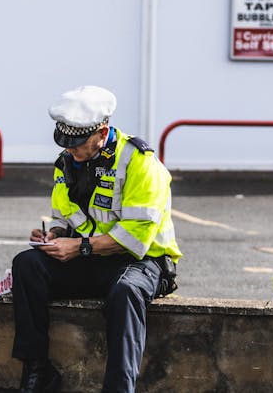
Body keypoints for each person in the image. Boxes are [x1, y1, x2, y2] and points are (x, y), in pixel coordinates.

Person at [11, 85, 182, 393]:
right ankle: (37, 371)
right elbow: (65, 215)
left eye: (78, 143)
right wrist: (54, 234)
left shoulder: (140, 163)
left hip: (144, 262)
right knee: (26, 265)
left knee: (125, 292)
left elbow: (135, 238)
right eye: (66, 143)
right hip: (90, 257)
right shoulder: (66, 163)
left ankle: (119, 389)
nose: (71, 150)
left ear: (103, 133)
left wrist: (79, 247)